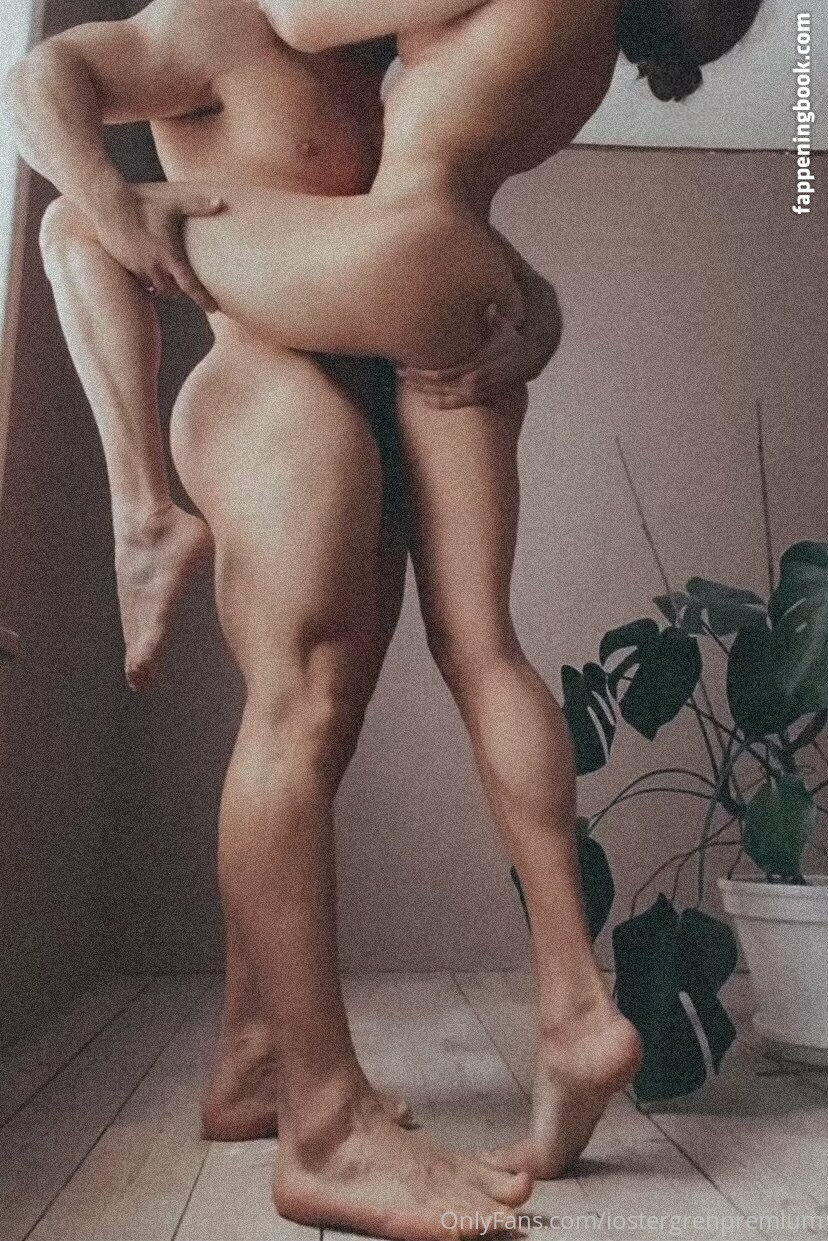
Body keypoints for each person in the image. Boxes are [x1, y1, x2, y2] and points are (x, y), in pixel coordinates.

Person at [6, 0, 766, 1235]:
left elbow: (417, 210)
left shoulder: (371, 53)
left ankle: (267, 1050)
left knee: (356, 702)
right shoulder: (218, 22)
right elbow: (43, 79)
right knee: (347, 694)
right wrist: (103, 192)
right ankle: (330, 1112)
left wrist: (538, 310)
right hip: (292, 383)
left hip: (396, 359)